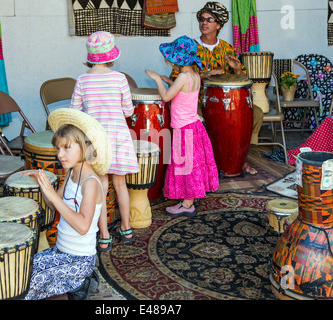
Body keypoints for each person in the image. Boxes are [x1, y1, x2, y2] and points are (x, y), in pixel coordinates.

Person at [21, 108, 112, 300]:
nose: (60, 154)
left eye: (66, 148)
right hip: (60, 250)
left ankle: (81, 283)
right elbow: (54, 206)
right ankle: (69, 291)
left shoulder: (91, 183)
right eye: (58, 148)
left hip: (78, 260)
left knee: (29, 284)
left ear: (85, 147)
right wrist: (44, 188)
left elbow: (82, 226)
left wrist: (53, 196)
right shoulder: (71, 172)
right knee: (20, 270)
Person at [165, 2, 262, 175]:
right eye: (202, 19)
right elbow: (175, 79)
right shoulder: (189, 47)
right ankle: (205, 164)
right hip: (197, 103)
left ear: (218, 25)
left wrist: (238, 68)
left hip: (225, 103)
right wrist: (204, 75)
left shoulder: (227, 49)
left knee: (257, 113)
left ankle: (240, 158)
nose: (204, 23)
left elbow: (243, 79)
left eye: (209, 20)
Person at [70, 31, 140, 252]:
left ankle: (104, 235)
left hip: (96, 139)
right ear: (111, 56)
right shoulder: (119, 78)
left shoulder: (82, 79)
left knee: (101, 186)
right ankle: (126, 229)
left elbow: (74, 112)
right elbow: (128, 110)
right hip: (118, 136)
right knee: (121, 185)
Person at [145, 35, 219, 217]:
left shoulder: (182, 77)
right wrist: (169, 81)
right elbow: (184, 91)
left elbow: (166, 97)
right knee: (192, 164)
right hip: (194, 125)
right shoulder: (194, 75)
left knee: (186, 166)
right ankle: (191, 197)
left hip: (184, 128)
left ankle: (187, 204)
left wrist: (157, 79)